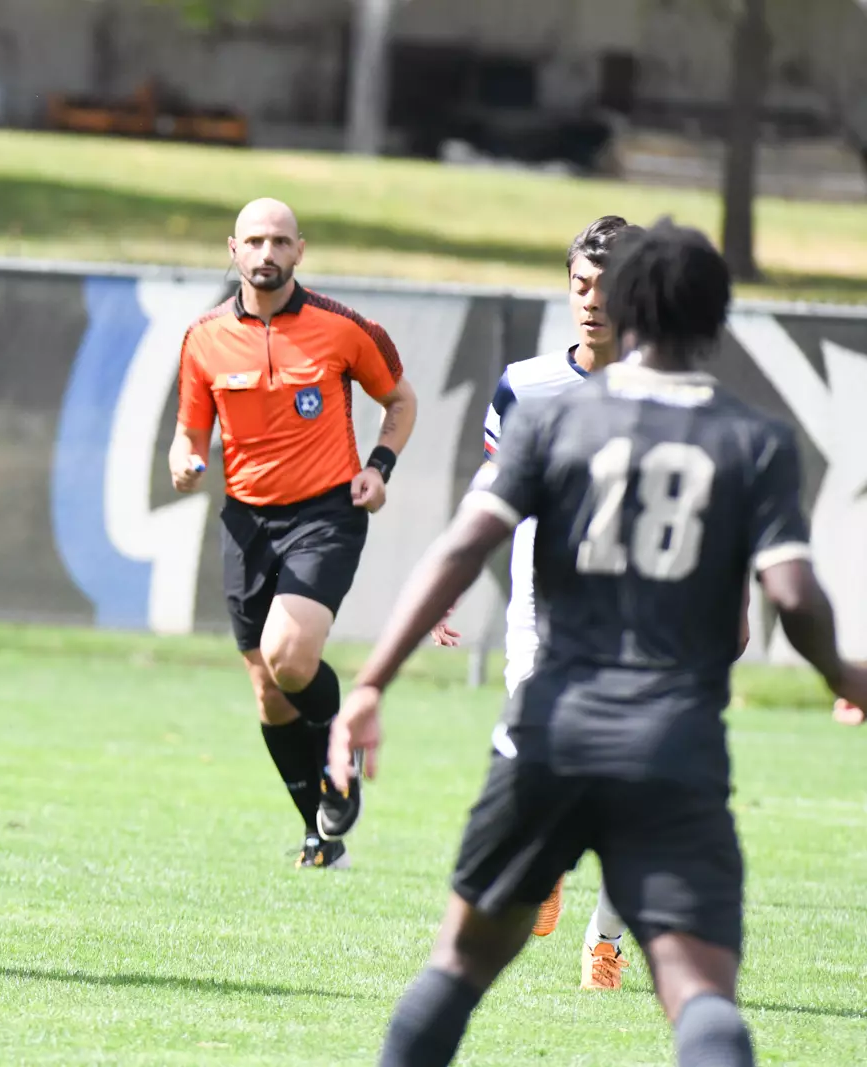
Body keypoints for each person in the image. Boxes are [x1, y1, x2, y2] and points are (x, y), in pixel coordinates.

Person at [328, 219, 867, 1067]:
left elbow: (464, 545)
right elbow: (792, 597)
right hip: (673, 742)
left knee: (459, 965)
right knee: (699, 994)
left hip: (550, 728)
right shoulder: (752, 440)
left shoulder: (560, 422)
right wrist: (848, 674)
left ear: (630, 304)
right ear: (714, 319)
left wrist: (369, 682)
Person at [169, 197, 417, 870]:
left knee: (289, 654)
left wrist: (378, 467)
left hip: (325, 515)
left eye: (280, 240)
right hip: (246, 520)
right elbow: (190, 431)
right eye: (254, 241)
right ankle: (319, 831)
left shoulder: (343, 328)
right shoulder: (203, 337)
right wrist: (184, 461)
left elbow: (400, 399)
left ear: (300, 250)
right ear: (233, 249)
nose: (266, 253)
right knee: (268, 688)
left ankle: (340, 752)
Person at [436, 215, 647, 987]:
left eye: (609, 287)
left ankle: (606, 940)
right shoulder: (525, 385)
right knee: (532, 763)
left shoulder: (670, 393)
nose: (591, 301)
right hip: (542, 615)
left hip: (639, 626)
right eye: (580, 284)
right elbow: (491, 495)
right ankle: (547, 865)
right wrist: (453, 585)